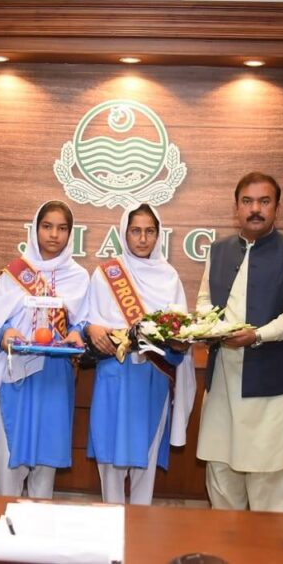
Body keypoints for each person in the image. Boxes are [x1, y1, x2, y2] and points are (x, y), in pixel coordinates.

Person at [195, 172, 283, 512]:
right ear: (236, 207)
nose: (255, 209)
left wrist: (258, 335)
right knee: (222, 477)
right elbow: (204, 301)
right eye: (247, 201)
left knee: (270, 483)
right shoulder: (218, 251)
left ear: (277, 207)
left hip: (272, 387)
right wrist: (214, 327)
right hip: (223, 384)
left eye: (264, 202)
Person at [83, 203, 196, 504]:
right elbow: (87, 320)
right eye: (136, 231)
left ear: (158, 235)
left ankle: (141, 524)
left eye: (149, 231)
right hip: (114, 375)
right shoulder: (105, 274)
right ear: (124, 233)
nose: (143, 238)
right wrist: (93, 328)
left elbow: (180, 333)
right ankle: (110, 525)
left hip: (152, 376)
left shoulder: (169, 277)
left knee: (146, 460)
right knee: (111, 461)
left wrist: (179, 342)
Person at [0, 200, 88, 498]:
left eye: (62, 228)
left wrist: (76, 332)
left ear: (70, 233)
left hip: (55, 374)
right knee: (10, 460)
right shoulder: (14, 273)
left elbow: (83, 320)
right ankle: (6, 518)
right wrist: (5, 332)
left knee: (46, 461)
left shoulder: (79, 276)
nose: (54, 234)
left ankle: (40, 520)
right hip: (15, 372)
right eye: (47, 227)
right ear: (35, 229)